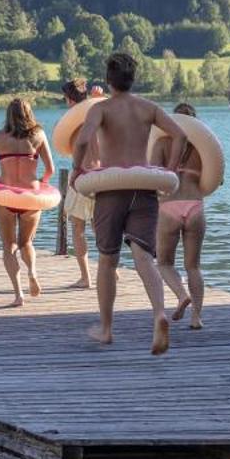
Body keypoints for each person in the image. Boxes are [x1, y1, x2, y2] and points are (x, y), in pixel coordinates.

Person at [71, 52, 186, 353]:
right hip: (143, 189)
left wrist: (76, 171)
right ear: (133, 79)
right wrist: (170, 171)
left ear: (109, 81)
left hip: (111, 193)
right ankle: (159, 313)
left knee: (108, 260)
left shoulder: (102, 109)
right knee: (144, 257)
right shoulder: (148, 108)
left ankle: (106, 329)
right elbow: (180, 135)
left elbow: (83, 140)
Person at [0, 97, 55, 306]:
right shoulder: (39, 135)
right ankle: (33, 273)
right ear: (29, 114)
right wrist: (43, 185)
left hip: (5, 196)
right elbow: (50, 170)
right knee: (26, 242)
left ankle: (18, 294)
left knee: (9, 245)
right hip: (31, 196)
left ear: (8, 115)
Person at [155, 102, 208, 330]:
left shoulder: (162, 143)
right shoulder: (204, 148)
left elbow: (153, 177)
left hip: (168, 206)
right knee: (193, 266)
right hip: (195, 206)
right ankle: (196, 317)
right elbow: (217, 179)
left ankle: (181, 294)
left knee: (165, 263)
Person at [60, 79, 98, 289]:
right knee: (99, 226)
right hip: (102, 175)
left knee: (77, 226)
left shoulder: (73, 124)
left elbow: (78, 153)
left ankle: (85, 277)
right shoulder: (98, 116)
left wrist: (75, 175)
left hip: (82, 175)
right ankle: (112, 269)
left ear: (69, 99)